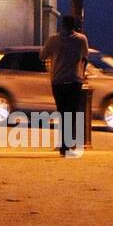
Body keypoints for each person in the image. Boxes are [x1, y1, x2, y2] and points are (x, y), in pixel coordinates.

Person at [40, 15, 89, 157]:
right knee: (72, 113)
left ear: (62, 25)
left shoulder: (53, 39)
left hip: (58, 80)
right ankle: (68, 143)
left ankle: (63, 144)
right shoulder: (81, 39)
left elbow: (42, 56)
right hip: (74, 80)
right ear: (74, 26)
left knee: (62, 113)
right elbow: (84, 57)